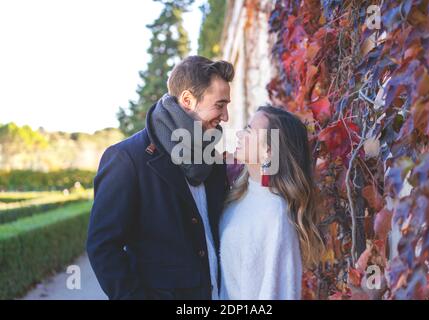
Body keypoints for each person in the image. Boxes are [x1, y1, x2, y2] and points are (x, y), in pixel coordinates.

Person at [87, 55, 234, 300]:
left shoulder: (214, 160)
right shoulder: (127, 159)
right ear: (188, 100)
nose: (226, 117)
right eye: (220, 105)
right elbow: (102, 248)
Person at [219, 106, 324, 300]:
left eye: (249, 131)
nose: (241, 134)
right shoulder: (238, 195)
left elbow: (281, 293)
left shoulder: (276, 213)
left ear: (268, 150)